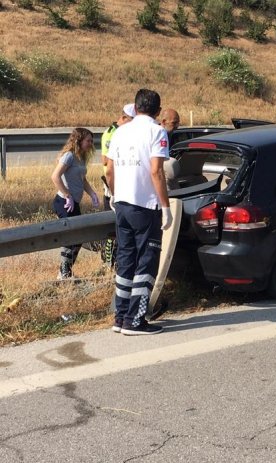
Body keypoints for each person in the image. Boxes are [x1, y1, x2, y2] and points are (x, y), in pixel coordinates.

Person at [106, 88, 172, 336]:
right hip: (145, 206)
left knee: (126, 261)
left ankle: (120, 316)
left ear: (135, 107)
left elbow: (109, 170)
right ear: (158, 110)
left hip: (121, 204)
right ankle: (135, 321)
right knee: (146, 262)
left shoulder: (121, 132)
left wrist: (114, 195)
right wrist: (166, 207)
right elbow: (156, 171)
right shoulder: (157, 132)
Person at [50, 128, 100, 279]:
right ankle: (64, 272)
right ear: (79, 141)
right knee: (71, 237)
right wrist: (67, 195)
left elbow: (82, 179)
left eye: (92, 141)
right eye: (88, 141)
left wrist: (92, 194)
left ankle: (65, 270)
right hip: (63, 202)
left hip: (74, 203)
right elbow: (55, 176)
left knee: (78, 238)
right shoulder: (69, 156)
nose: (91, 144)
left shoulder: (81, 157)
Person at [99, 103, 136, 268]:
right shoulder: (112, 133)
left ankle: (118, 261)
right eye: (132, 121)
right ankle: (108, 262)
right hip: (112, 185)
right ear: (123, 118)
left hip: (123, 186)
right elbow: (106, 161)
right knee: (112, 229)